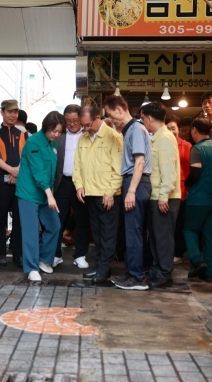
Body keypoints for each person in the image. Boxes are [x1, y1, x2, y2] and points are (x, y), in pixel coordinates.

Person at [103, 95, 152, 290]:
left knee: (134, 232)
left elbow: (139, 162)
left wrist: (131, 190)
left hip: (136, 183)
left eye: (109, 113)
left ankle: (137, 277)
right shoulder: (130, 129)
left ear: (119, 109)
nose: (109, 118)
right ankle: (134, 272)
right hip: (133, 182)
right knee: (132, 231)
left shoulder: (137, 130)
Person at [74, 105, 124, 285]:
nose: (86, 128)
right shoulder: (83, 138)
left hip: (106, 194)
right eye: (83, 126)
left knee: (108, 233)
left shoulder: (113, 137)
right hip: (90, 193)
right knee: (97, 233)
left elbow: (118, 169)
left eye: (88, 125)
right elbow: (77, 165)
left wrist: (110, 192)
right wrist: (79, 185)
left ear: (97, 118)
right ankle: (101, 267)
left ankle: (103, 269)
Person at [16, 111, 65, 281]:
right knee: (30, 231)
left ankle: (44, 259)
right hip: (29, 192)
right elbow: (38, 172)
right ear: (46, 127)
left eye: (59, 132)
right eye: (54, 131)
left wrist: (49, 194)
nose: (56, 135)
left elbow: (51, 171)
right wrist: (50, 194)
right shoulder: (33, 142)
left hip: (46, 194)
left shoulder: (53, 144)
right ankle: (31, 268)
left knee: (55, 225)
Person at [140, 102, 181, 288]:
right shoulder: (157, 137)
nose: (143, 122)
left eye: (142, 119)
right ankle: (157, 269)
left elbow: (168, 170)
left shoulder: (165, 137)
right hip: (156, 195)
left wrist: (164, 194)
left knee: (163, 237)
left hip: (164, 197)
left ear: (149, 118)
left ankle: (165, 273)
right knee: (156, 236)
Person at [183, 118, 212, 282]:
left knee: (189, 230)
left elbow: (195, 172)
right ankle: (210, 273)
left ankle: (197, 260)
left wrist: (186, 184)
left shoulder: (197, 149)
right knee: (210, 234)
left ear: (194, 130)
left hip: (199, 198)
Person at [52, 105, 90, 269]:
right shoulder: (58, 136)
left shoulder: (89, 135)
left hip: (82, 184)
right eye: (68, 121)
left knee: (82, 220)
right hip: (62, 182)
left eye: (75, 120)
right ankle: (55, 254)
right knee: (57, 220)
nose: (72, 124)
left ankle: (80, 255)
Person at [0, 100, 25, 267]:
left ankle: (17, 253)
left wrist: (16, 172)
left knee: (19, 217)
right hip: (0, 180)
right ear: (2, 112)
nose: (13, 115)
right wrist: (11, 170)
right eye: (9, 111)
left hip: (20, 179)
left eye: (15, 112)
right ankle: (1, 253)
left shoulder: (23, 132)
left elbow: (26, 155)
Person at [165, 115, 191, 265]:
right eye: (168, 128)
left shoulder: (186, 146)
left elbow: (190, 170)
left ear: (178, 129)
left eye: (173, 128)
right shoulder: (161, 144)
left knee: (179, 222)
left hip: (182, 188)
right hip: (166, 190)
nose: (170, 131)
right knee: (167, 223)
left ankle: (178, 253)